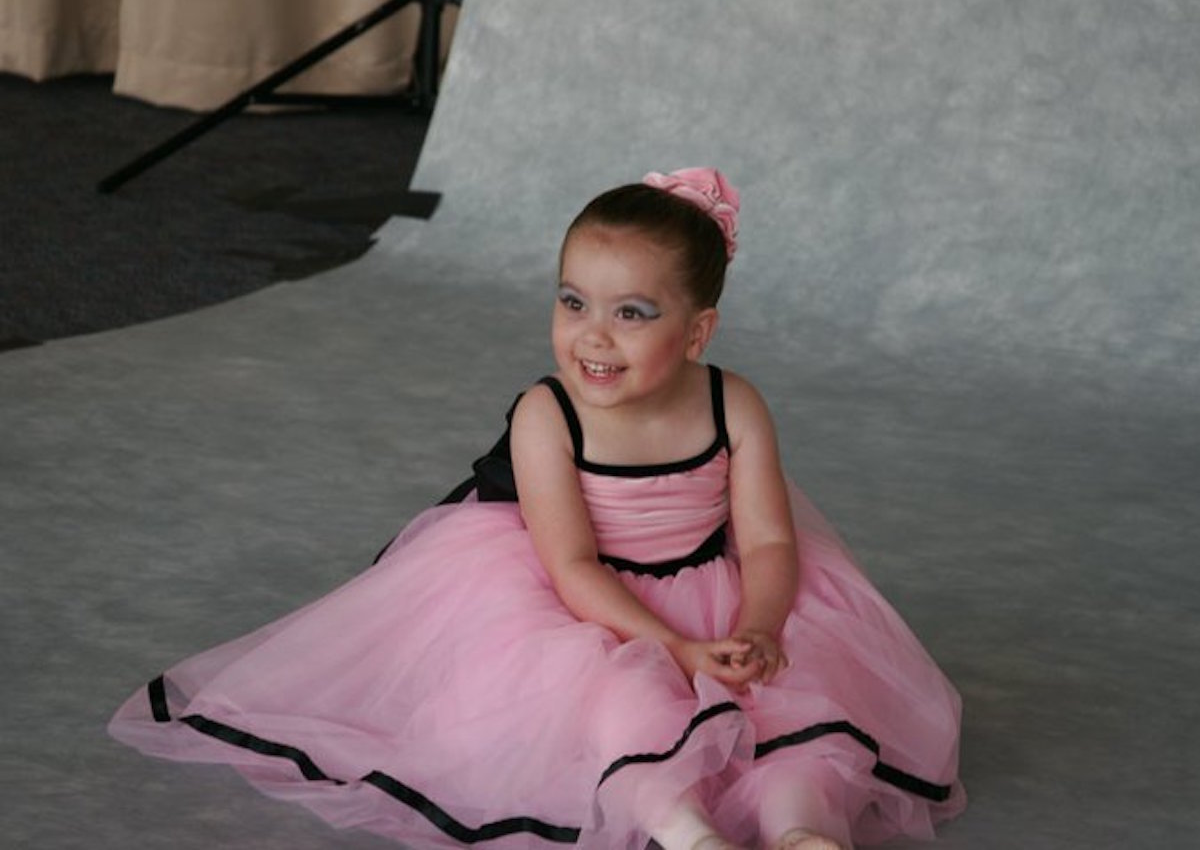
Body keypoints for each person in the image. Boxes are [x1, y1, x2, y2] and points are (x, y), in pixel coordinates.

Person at [109, 168, 966, 849]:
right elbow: (571, 565)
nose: (593, 335)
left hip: (720, 588)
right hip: (587, 604)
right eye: (573, 302)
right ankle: (686, 832)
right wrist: (672, 647)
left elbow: (772, 536)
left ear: (698, 333)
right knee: (616, 706)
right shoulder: (547, 414)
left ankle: (801, 823)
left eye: (632, 313)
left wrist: (762, 625)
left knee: (790, 702)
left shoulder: (732, 404)